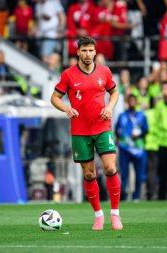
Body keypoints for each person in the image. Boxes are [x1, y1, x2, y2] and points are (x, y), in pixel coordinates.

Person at [50, 37, 122, 230]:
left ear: (95, 52)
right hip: (80, 131)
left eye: (91, 50)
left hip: (102, 127)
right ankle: (98, 216)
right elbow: (54, 98)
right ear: (78, 52)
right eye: (84, 51)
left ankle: (115, 214)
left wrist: (110, 106)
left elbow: (115, 92)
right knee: (89, 173)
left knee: (109, 167)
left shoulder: (104, 72)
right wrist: (65, 108)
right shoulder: (68, 75)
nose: (88, 54)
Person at [115, 94, 148, 201]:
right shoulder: (122, 116)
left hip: (138, 149)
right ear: (127, 102)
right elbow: (116, 130)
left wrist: (138, 135)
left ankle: (136, 197)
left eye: (134, 101)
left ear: (137, 102)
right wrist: (120, 139)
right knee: (124, 174)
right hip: (125, 148)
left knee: (139, 174)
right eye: (130, 101)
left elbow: (146, 130)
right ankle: (123, 197)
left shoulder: (142, 116)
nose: (132, 103)